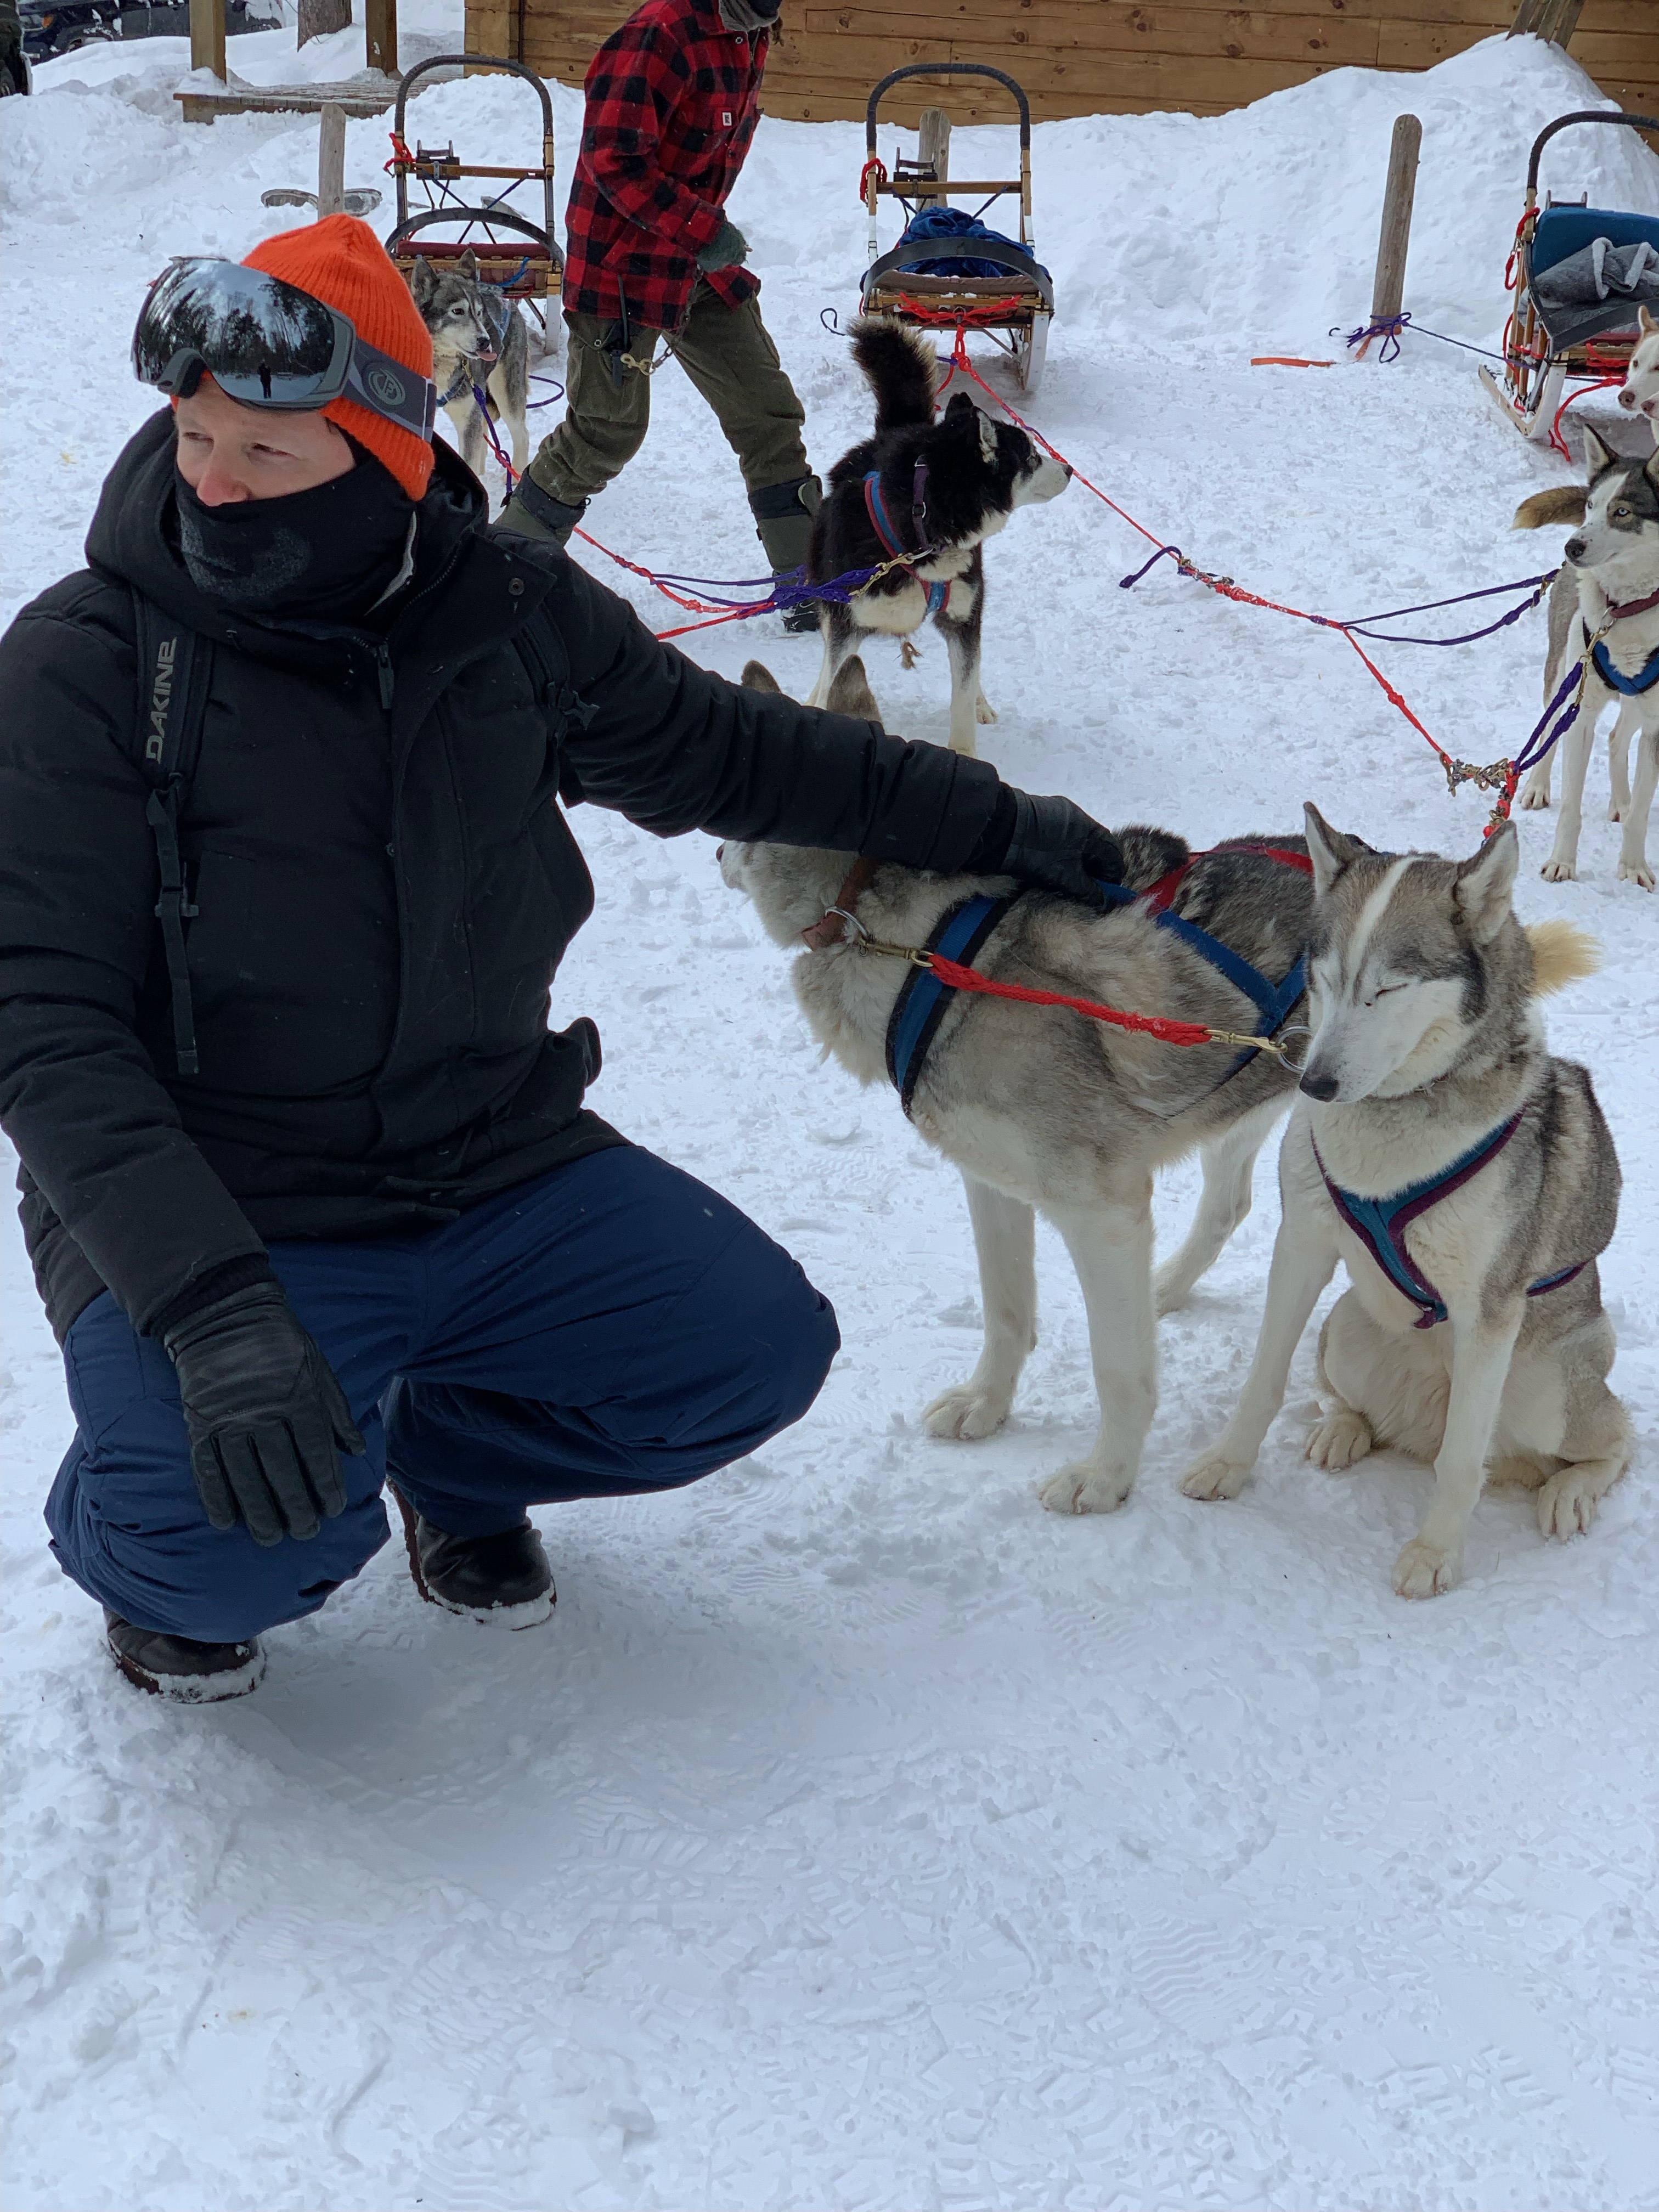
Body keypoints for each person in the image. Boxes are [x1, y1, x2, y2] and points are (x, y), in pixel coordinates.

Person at [0, 215, 1124, 1703]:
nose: (211, 481)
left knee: (747, 1355)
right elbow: (43, 1021)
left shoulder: (505, 616)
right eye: (193, 436)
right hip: (227, 1202)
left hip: (484, 1161)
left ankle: (446, 1457)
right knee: (229, 1541)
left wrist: (1008, 819)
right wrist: (208, 1313)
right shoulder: (87, 660)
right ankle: (155, 1555)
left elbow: (741, 756)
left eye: (264, 455)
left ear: (386, 452)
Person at [498, 0, 820, 627]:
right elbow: (613, 159)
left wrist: (702, 238)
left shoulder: (750, 31)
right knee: (604, 433)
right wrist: (700, 229)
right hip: (625, 268)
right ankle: (496, 576)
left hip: (696, 265)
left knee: (767, 412)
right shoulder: (660, 35)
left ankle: (812, 591)